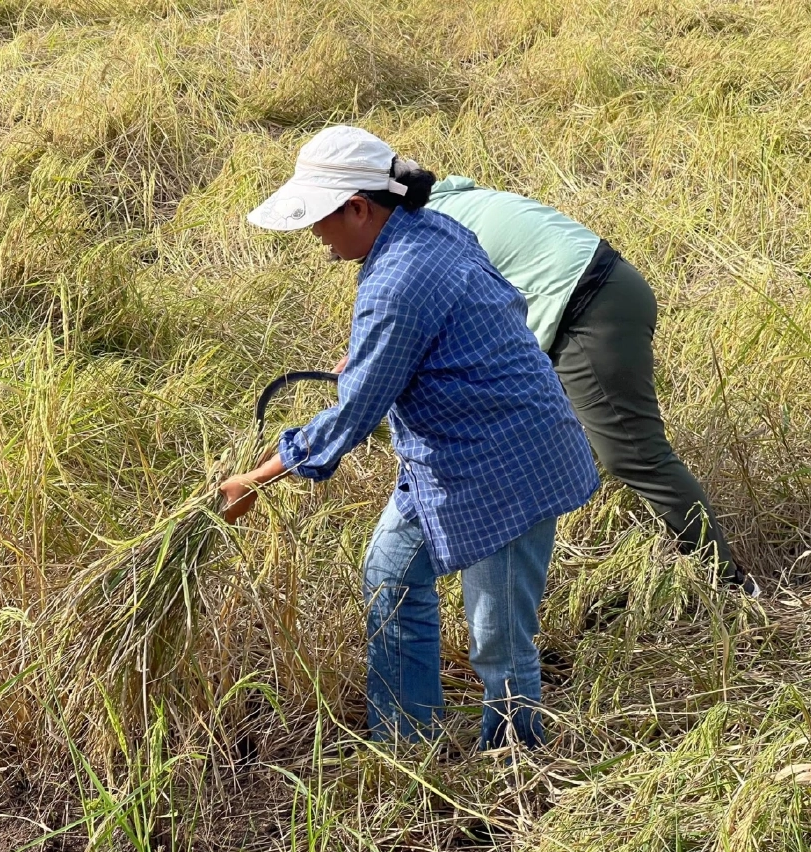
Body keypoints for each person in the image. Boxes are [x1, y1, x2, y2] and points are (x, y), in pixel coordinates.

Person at [220, 126, 599, 750]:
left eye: (321, 219)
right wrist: (380, 360)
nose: (316, 235)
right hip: (446, 461)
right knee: (391, 574)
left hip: (508, 464)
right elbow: (453, 327)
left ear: (359, 208)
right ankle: (406, 742)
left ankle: (515, 771)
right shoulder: (430, 230)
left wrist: (256, 478)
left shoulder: (399, 278)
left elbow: (353, 416)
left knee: (498, 639)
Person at [423, 176, 759, 597]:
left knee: (635, 456)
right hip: (605, 288)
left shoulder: (427, 230)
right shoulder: (450, 201)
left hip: (587, 309)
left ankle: (729, 587)